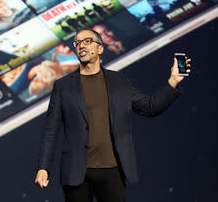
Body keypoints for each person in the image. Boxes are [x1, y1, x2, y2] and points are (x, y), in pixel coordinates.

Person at [35, 28, 191, 202]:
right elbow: (51, 130)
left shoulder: (119, 82)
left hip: (113, 170)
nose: (81, 46)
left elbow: (149, 107)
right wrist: (43, 168)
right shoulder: (63, 86)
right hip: (76, 171)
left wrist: (172, 83)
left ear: (100, 49)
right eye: (77, 43)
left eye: (87, 41)